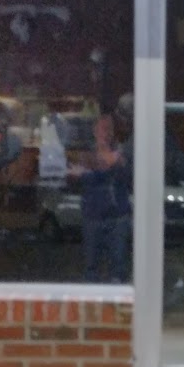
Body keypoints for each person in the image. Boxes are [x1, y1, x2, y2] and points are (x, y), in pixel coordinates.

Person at [68, 110, 131, 282]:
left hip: (117, 218)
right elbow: (78, 177)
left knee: (118, 268)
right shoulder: (86, 154)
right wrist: (85, 174)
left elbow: (118, 172)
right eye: (102, 128)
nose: (106, 133)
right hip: (93, 217)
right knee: (91, 267)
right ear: (95, 130)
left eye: (109, 128)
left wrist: (88, 174)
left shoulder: (122, 152)